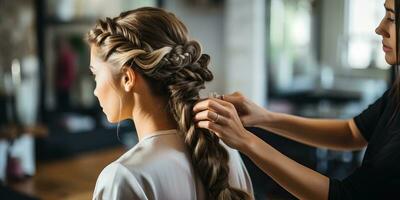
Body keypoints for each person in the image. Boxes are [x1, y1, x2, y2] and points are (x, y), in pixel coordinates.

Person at [193, 0, 400, 199]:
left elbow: (346, 196)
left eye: (391, 18)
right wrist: (265, 117)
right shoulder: (396, 92)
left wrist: (247, 142)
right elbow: (352, 133)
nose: (379, 28)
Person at [87, 7, 254, 200]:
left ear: (127, 78)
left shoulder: (123, 177)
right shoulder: (226, 151)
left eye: (95, 74)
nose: (95, 90)